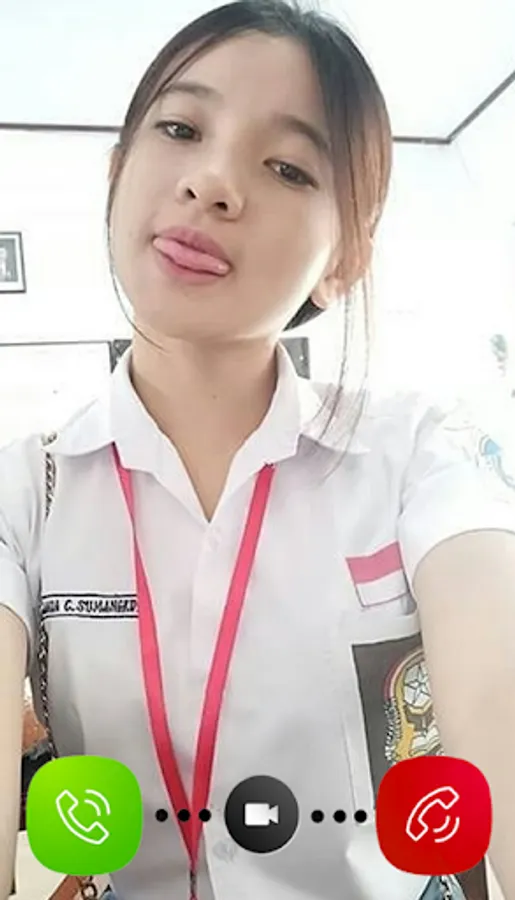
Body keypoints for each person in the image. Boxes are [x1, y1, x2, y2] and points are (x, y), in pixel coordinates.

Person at [1, 3, 515, 899]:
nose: (211, 183)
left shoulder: (419, 456)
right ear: (117, 172)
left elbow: (496, 690)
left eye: (286, 166)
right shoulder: (25, 488)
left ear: (343, 259)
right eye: (179, 128)